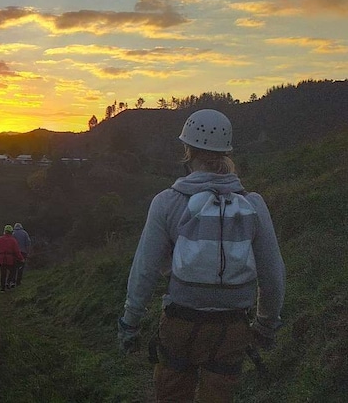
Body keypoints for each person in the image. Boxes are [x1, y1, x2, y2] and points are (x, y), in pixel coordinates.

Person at [117, 109, 286, 402]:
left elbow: (144, 268)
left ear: (187, 150)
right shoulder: (253, 204)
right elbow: (272, 273)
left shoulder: (168, 202)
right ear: (227, 152)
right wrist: (266, 325)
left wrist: (129, 323)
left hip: (179, 323)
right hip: (232, 328)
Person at [0, 224, 24, 292]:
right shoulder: (13, 240)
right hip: (10, 259)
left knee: (3, 273)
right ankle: (8, 282)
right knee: (13, 271)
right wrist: (21, 258)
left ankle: (2, 288)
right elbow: (17, 251)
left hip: (1, 259)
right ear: (11, 232)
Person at [11, 222, 31, 287]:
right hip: (23, 253)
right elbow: (28, 243)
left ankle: (13, 281)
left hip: (14, 253)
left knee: (14, 267)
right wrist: (28, 252)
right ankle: (18, 282)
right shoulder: (25, 233)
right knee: (21, 267)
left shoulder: (12, 233)